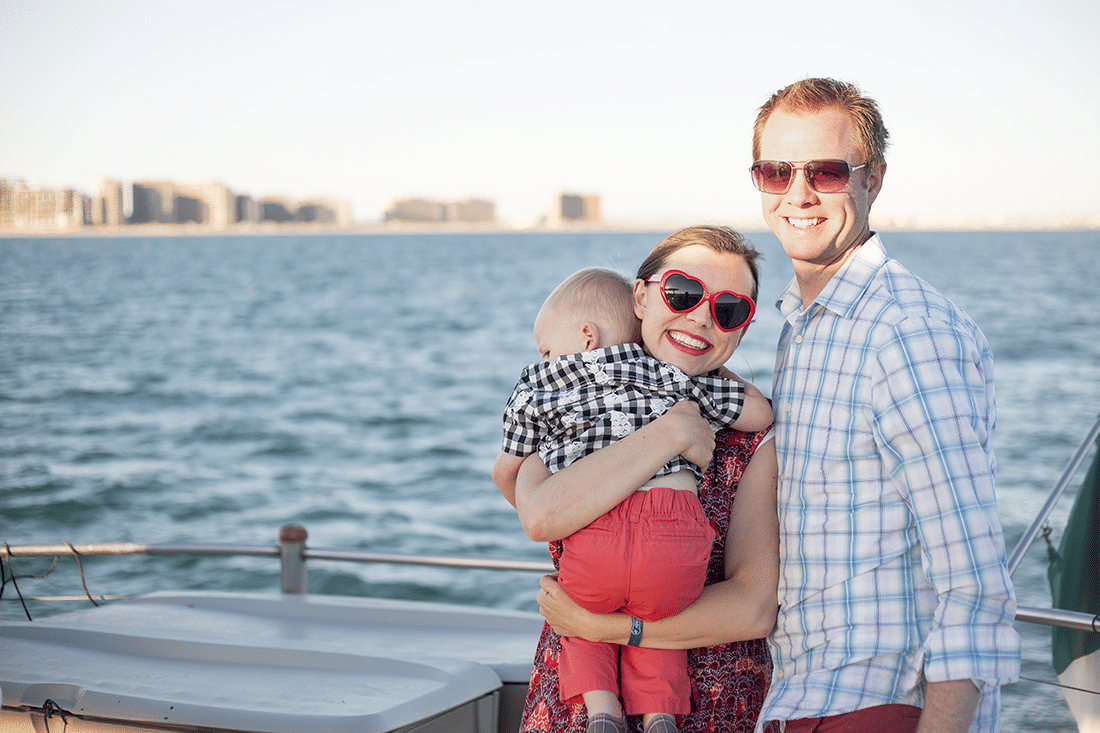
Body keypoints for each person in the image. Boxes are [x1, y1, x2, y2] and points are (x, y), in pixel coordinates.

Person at [749, 78, 1020, 733]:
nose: (799, 193)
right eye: (776, 170)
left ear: (874, 180)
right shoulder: (804, 325)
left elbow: (974, 582)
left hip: (881, 710)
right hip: (803, 701)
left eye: (828, 171)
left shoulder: (907, 332)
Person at [510, 225, 781, 733]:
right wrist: (669, 433)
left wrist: (603, 627)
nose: (700, 316)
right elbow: (541, 515)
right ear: (641, 294)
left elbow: (753, 608)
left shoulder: (752, 444)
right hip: (577, 706)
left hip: (709, 706)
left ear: (741, 329)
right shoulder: (571, 403)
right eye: (682, 292)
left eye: (728, 310)